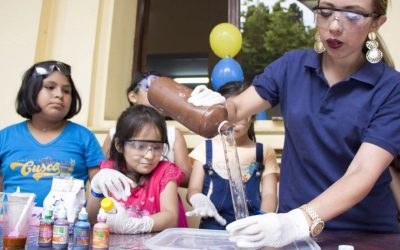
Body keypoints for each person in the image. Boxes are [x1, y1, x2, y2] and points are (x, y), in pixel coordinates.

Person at [187, 0, 400, 248]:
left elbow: (363, 171)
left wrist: (299, 220)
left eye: (351, 15)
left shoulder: (391, 88)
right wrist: (219, 106)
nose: (333, 26)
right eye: (326, 12)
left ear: (376, 22)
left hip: (363, 233)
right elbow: (238, 107)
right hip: (295, 235)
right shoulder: (292, 67)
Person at [0, 60, 105, 207]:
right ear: (31, 91)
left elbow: (101, 187)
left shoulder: (84, 137)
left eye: (66, 91)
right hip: (13, 228)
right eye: (50, 87)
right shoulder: (4, 137)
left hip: (67, 228)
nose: (59, 95)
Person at [185, 81, 279, 230]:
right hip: (212, 227)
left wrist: (262, 220)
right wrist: (197, 198)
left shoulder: (264, 152)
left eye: (239, 114)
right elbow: (193, 189)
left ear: (253, 115)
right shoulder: (205, 148)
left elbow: (269, 195)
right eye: (227, 115)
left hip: (252, 226)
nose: (233, 121)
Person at [87, 105, 188, 233]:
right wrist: (96, 189)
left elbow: (171, 217)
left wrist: (136, 225)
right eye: (140, 146)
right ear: (119, 145)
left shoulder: (166, 172)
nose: (150, 155)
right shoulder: (109, 172)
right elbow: (92, 219)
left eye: (157, 147)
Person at [102, 72, 191, 186]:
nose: (158, 95)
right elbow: (104, 171)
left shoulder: (173, 133)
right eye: (151, 88)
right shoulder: (114, 133)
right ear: (133, 96)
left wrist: (159, 173)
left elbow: (187, 178)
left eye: (163, 92)